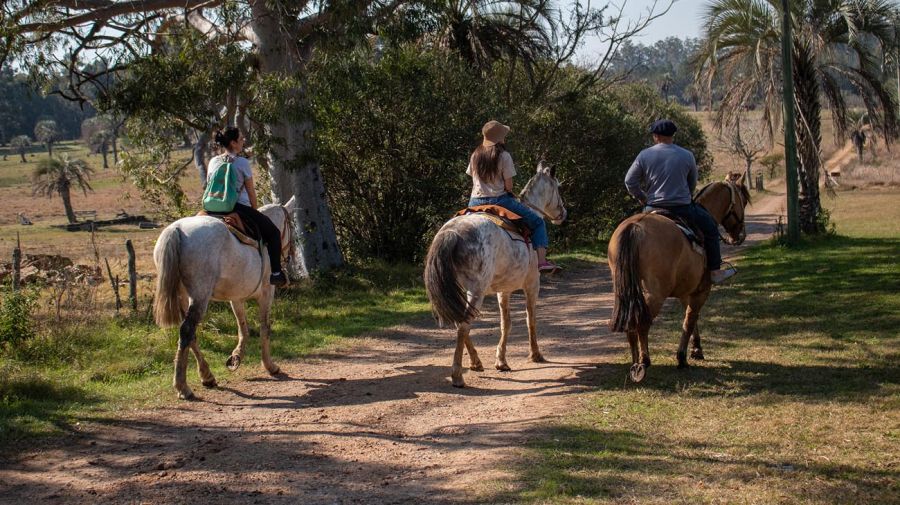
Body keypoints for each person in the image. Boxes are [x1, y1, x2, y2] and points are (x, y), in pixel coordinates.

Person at [624, 119, 737, 284]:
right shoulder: (687, 155)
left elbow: (629, 181)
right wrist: (684, 194)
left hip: (653, 208)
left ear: (655, 136)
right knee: (711, 229)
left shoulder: (644, 155)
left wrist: (643, 197)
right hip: (682, 208)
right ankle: (715, 271)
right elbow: (691, 183)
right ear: (673, 135)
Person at [466, 120, 559, 273]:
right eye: (503, 135)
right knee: (537, 223)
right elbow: (509, 187)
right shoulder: (504, 156)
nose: (505, 138)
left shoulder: (475, 155)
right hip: (500, 201)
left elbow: (473, 179)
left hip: (474, 202)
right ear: (499, 138)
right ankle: (542, 262)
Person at [209, 127, 287, 287]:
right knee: (273, 233)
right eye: (241, 139)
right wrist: (255, 211)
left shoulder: (213, 161)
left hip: (212, 207)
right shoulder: (242, 162)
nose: (244, 141)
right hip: (237, 208)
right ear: (233, 143)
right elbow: (251, 192)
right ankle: (276, 273)